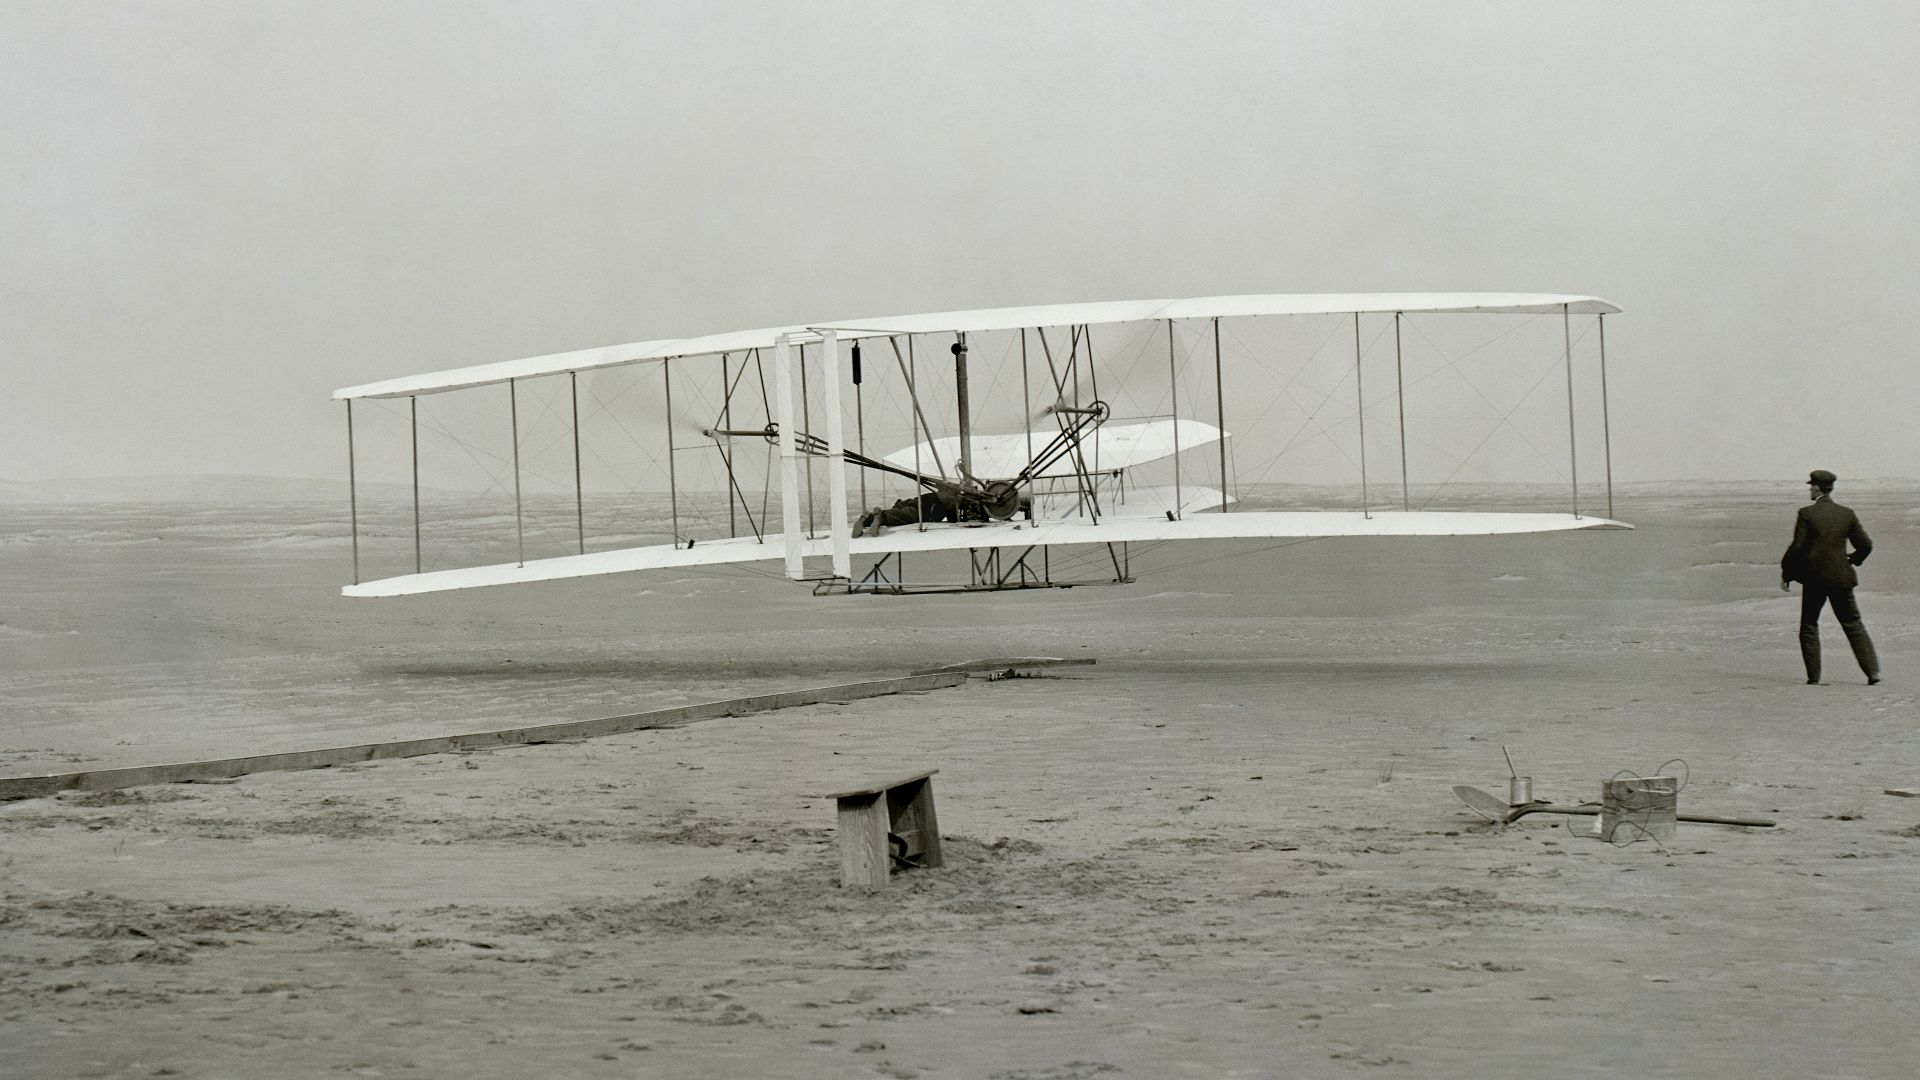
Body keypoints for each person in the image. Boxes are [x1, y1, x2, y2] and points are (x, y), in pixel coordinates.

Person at [1780, 469, 1880, 685]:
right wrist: (1854, 559)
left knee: (1809, 625)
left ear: (1817, 487)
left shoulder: (1807, 513)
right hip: (1841, 577)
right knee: (1853, 623)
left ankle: (1814, 678)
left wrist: (1787, 572)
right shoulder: (1846, 513)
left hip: (1815, 579)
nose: (1809, 489)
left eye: (1811, 486)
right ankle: (1873, 673)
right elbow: (1866, 545)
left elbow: (1797, 548)